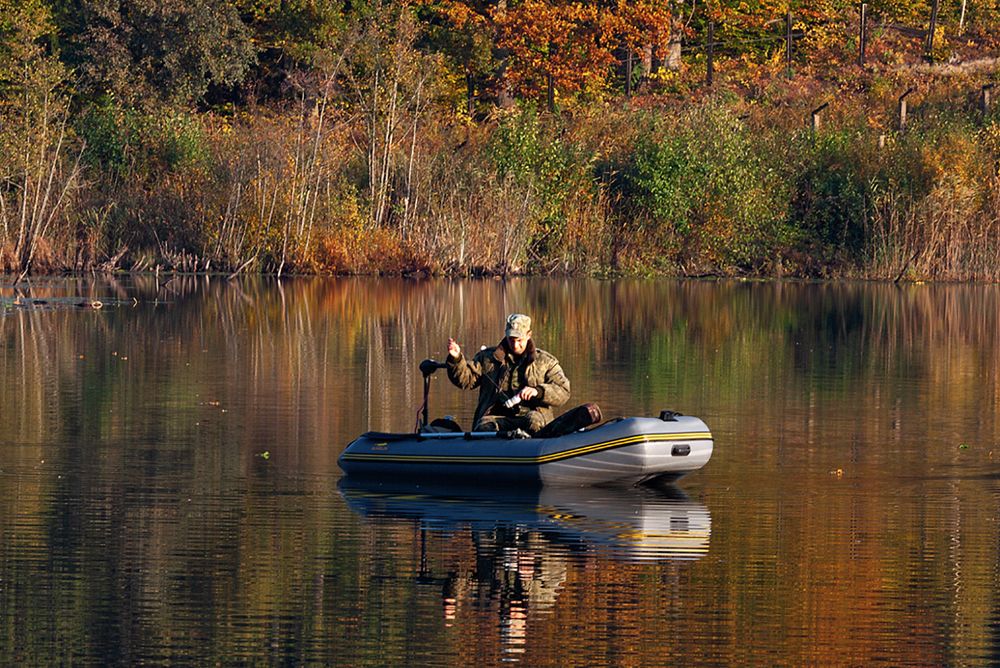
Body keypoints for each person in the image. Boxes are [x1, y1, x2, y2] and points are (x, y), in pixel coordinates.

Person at [446, 313, 570, 434]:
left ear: (529, 335)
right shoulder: (487, 358)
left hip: (532, 418)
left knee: (535, 421)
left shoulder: (545, 362)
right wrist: (456, 359)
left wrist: (538, 391)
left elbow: (564, 391)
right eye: (511, 340)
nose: (515, 345)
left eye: (519, 340)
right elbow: (466, 380)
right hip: (497, 419)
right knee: (484, 426)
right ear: (506, 335)